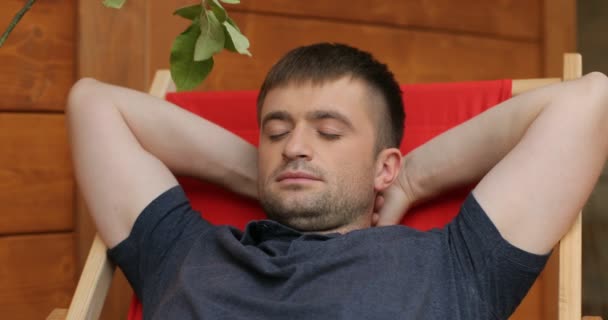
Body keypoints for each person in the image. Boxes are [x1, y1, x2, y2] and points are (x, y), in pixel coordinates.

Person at [66, 43, 608, 319]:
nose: (295, 146)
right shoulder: (184, 253)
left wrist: (411, 180)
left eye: (328, 131)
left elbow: (590, 101)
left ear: (384, 165)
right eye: (276, 131)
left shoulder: (454, 265)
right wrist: (262, 171)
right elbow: (92, 103)